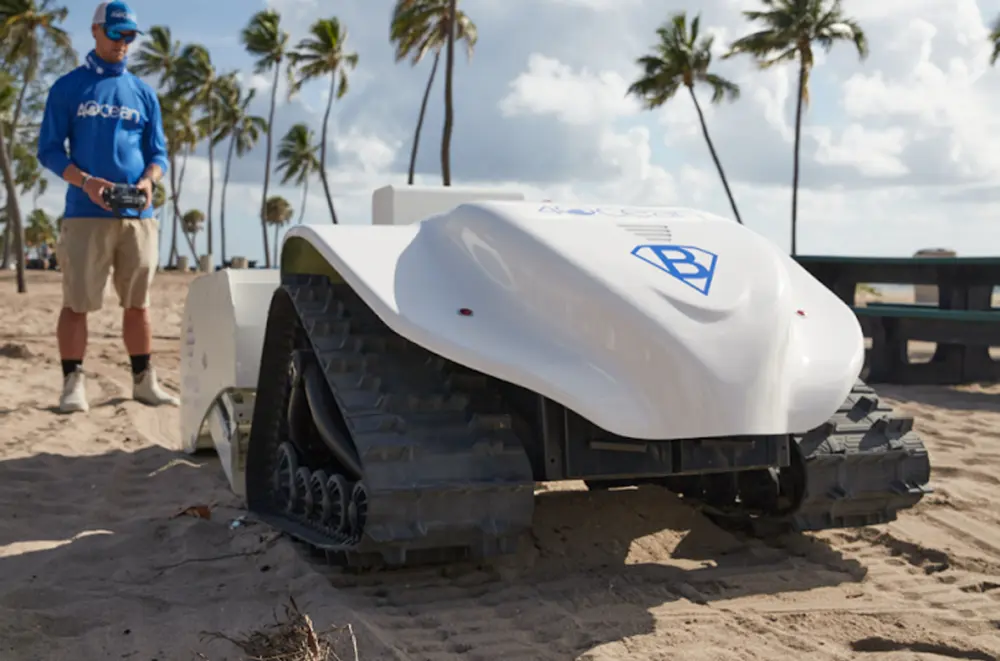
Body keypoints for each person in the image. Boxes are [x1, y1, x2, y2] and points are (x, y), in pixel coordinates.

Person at [36, 1, 178, 413]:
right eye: (116, 34)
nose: (123, 43)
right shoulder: (68, 87)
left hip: (138, 216)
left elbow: (160, 153)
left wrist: (149, 181)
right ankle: (72, 384)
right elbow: (48, 150)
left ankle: (144, 380)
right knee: (77, 302)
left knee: (138, 303)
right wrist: (86, 182)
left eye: (130, 36)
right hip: (85, 214)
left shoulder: (143, 93)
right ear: (96, 31)